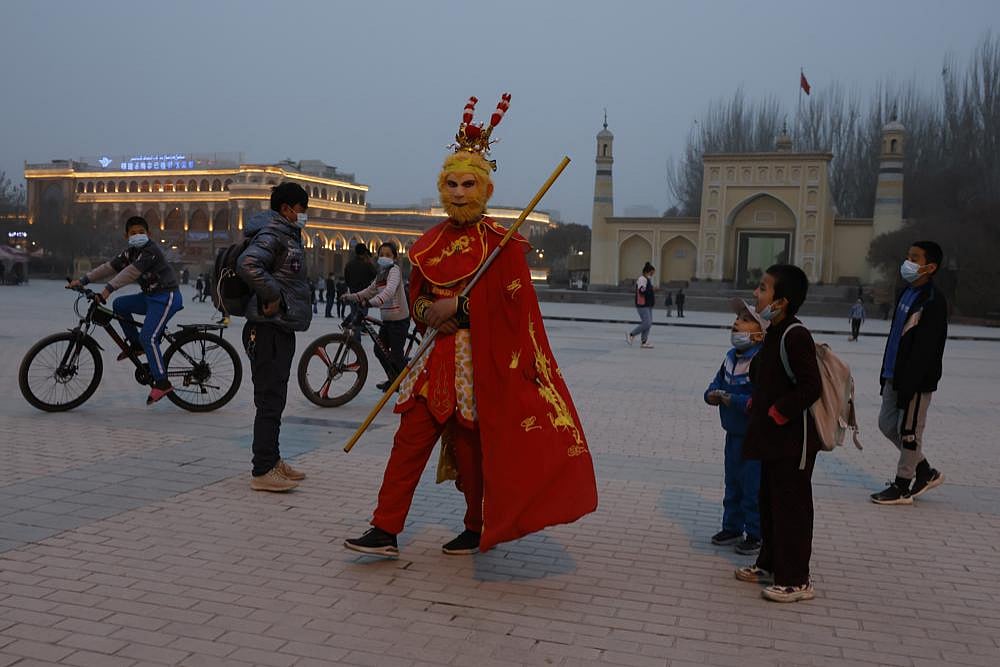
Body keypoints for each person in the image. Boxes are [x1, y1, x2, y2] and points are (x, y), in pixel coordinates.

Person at [344, 94, 597, 558]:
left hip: (479, 368)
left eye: (468, 184)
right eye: (452, 184)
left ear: (485, 191)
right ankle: (385, 528)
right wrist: (430, 312)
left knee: (473, 454)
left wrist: (461, 310)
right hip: (431, 364)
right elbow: (417, 301)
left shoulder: (504, 247)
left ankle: (476, 526)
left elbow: (517, 313)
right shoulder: (428, 244)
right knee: (407, 445)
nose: (459, 192)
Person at [735, 264, 822, 603]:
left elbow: (810, 386)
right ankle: (770, 564)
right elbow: (768, 376)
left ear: (781, 301)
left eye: (762, 288)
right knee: (770, 502)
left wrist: (777, 411)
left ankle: (797, 579)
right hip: (773, 438)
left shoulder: (795, 334)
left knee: (792, 508)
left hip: (793, 441)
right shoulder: (775, 331)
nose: (756, 294)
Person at [237, 182, 313, 493]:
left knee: (275, 397)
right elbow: (248, 264)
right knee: (269, 398)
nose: (304, 215)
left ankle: (272, 459)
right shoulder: (273, 234)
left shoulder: (285, 234)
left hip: (280, 326)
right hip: (268, 326)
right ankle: (262, 469)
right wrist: (274, 296)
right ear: (286, 209)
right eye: (302, 210)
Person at [67, 216, 184, 405]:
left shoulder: (150, 251)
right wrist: (83, 280)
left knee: (150, 337)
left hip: (166, 298)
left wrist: (107, 291)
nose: (137, 235)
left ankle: (162, 383)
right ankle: (137, 346)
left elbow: (130, 273)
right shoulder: (130, 253)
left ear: (148, 234)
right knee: (120, 305)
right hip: (149, 298)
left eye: (141, 232)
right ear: (126, 236)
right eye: (133, 233)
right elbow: (109, 267)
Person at [871, 241, 948, 505]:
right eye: (908, 257)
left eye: (915, 258)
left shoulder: (933, 301)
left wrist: (910, 385)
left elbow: (925, 350)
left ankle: (902, 486)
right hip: (894, 374)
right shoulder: (905, 292)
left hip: (915, 381)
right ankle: (924, 470)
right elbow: (896, 338)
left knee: (910, 432)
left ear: (930, 266)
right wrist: (886, 373)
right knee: (887, 424)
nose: (908, 263)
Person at [706, 298, 767, 556]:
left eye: (744, 319)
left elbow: (759, 401)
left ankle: (755, 533)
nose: (736, 323)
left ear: (758, 334)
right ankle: (732, 527)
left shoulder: (761, 361)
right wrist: (711, 394)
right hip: (733, 434)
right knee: (732, 483)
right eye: (737, 318)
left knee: (752, 487)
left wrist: (734, 400)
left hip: (754, 438)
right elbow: (716, 383)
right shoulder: (730, 358)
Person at [342, 242, 409, 391]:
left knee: (397, 356)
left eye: (388, 255)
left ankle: (409, 384)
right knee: (380, 351)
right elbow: (369, 291)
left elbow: (389, 291)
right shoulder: (380, 274)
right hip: (387, 320)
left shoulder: (394, 271)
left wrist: (371, 303)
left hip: (398, 320)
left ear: (395, 257)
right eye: (381, 254)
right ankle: (393, 379)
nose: (384, 257)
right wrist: (351, 297)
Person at [344, 243, 376, 338]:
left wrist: (352, 287)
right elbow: (375, 275)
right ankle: (356, 340)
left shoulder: (349, 264)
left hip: (353, 292)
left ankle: (346, 325)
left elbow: (347, 279)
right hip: (364, 294)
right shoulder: (367, 265)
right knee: (360, 316)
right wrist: (370, 262)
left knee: (354, 313)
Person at [626, 262, 655, 348]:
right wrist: (652, 290)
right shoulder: (642, 279)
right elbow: (642, 291)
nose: (653, 274)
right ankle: (631, 334)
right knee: (646, 323)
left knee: (648, 323)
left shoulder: (646, 279)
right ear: (648, 271)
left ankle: (644, 341)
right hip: (643, 305)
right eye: (652, 272)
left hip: (648, 305)